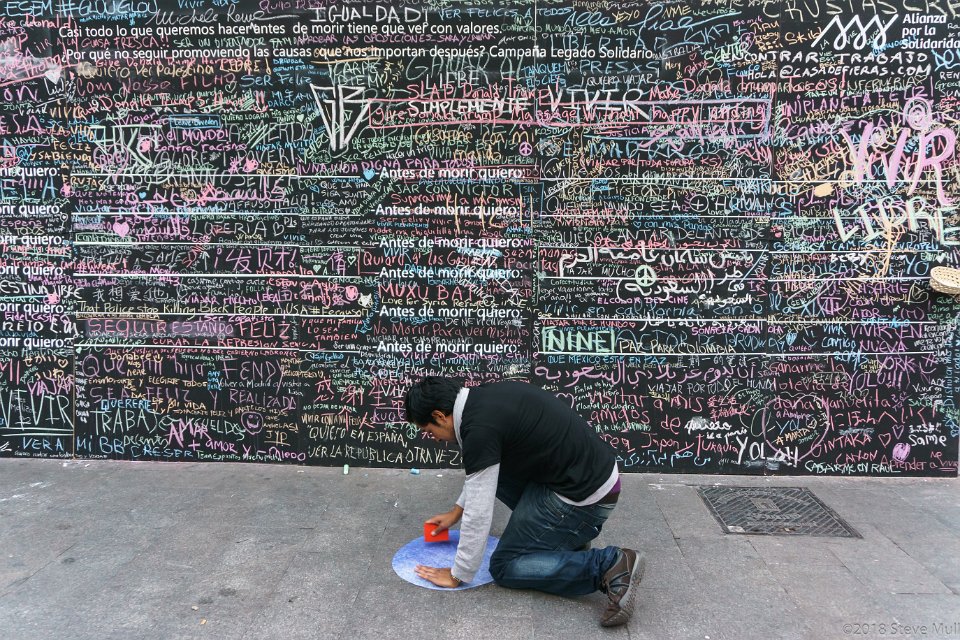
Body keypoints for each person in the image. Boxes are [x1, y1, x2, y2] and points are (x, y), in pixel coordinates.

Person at [404, 377, 644, 627]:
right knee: (494, 470)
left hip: (585, 498)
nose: (434, 438)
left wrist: (458, 574)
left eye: (429, 431)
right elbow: (481, 475)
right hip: (589, 478)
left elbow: (479, 511)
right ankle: (567, 541)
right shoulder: (483, 400)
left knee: (505, 566)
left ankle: (609, 565)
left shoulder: (479, 431)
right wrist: (456, 512)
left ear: (439, 416)